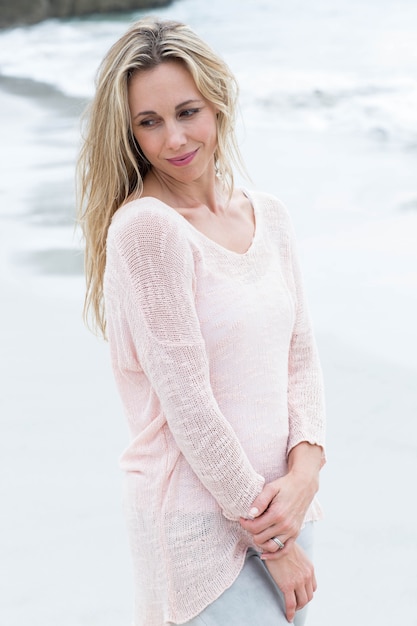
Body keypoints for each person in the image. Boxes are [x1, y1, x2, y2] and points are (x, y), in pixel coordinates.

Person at [77, 17, 326, 626]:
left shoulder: (270, 216)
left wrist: (306, 473)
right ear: (130, 134)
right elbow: (189, 405)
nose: (174, 139)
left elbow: (300, 354)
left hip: (286, 512)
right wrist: (276, 542)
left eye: (188, 111)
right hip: (202, 531)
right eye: (149, 122)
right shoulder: (146, 229)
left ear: (217, 102)